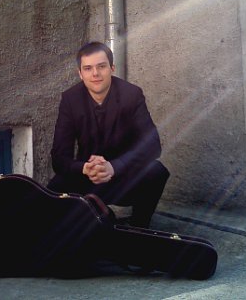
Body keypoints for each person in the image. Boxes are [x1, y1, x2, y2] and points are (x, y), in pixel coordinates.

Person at [48, 41, 170, 228]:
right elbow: (58, 157)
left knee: (157, 172)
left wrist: (114, 166)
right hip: (88, 176)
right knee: (54, 189)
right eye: (88, 68)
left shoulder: (132, 94)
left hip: (123, 176)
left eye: (101, 66)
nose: (95, 73)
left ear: (112, 68)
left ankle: (139, 228)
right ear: (80, 73)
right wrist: (84, 168)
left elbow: (153, 145)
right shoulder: (70, 99)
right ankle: (80, 226)